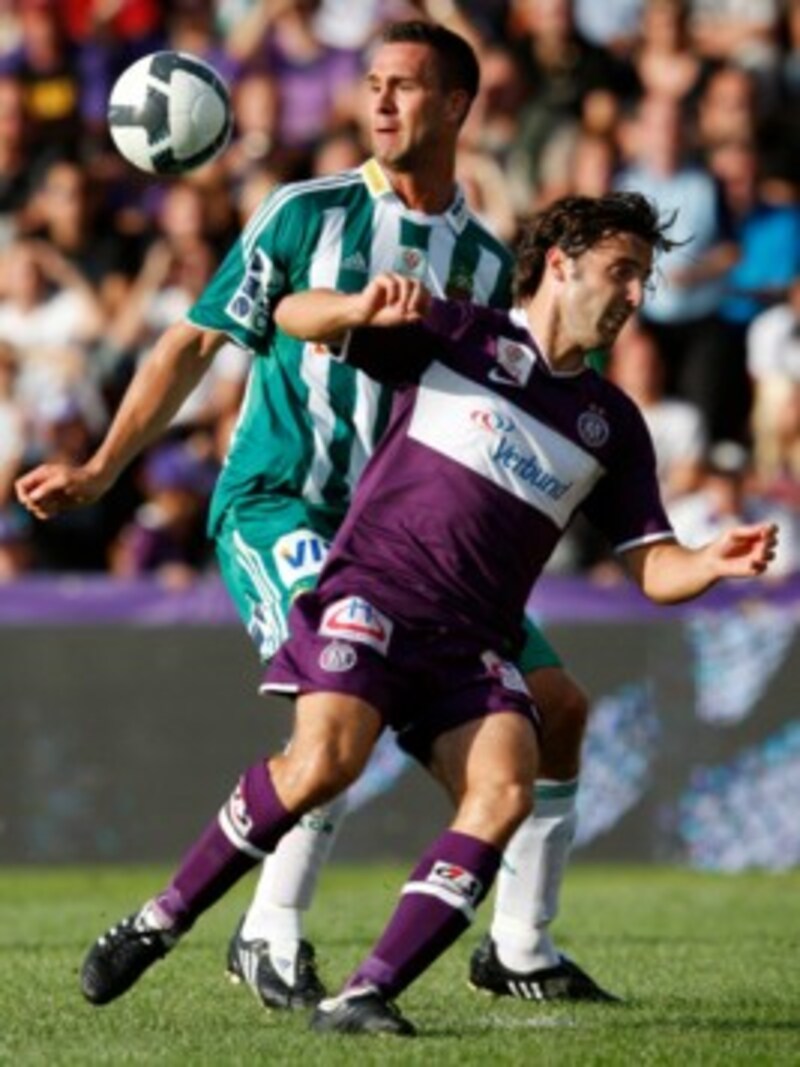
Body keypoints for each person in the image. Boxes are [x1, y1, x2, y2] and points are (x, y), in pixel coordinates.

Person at [66, 192, 776, 1038]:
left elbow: (654, 565)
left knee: (506, 784)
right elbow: (294, 313)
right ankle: (161, 919)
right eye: (622, 271)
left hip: (469, 640)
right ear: (562, 263)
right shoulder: (461, 334)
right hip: (373, 596)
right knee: (326, 760)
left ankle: (366, 991)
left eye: (643, 279)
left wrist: (711, 561)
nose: (633, 294)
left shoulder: (611, 424)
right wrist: (358, 306)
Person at [16, 20, 603, 1010]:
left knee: (557, 709)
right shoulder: (305, 214)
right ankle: (268, 931)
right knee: (341, 705)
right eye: (370, 82)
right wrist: (103, 466)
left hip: (414, 538)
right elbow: (192, 347)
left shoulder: (485, 258)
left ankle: (518, 944)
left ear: (457, 106)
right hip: (281, 502)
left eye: (403, 86)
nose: (377, 101)